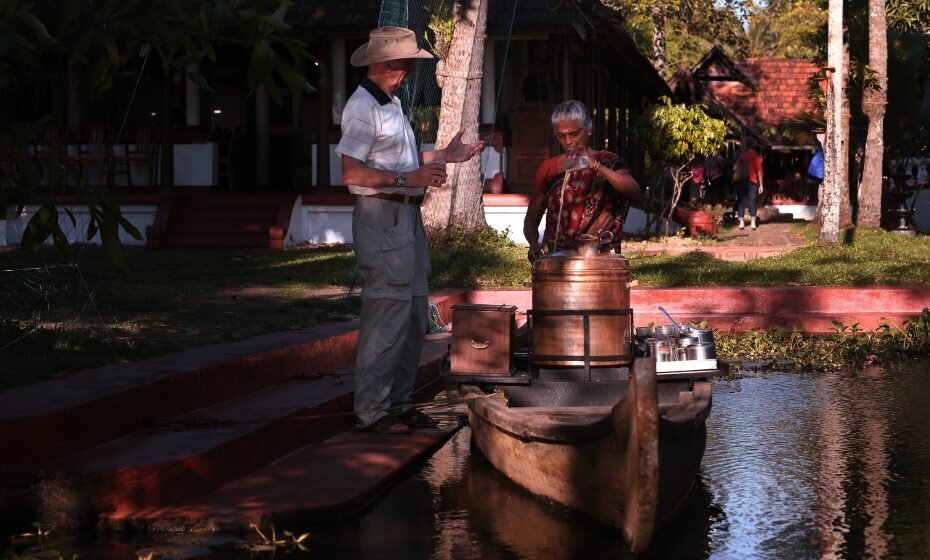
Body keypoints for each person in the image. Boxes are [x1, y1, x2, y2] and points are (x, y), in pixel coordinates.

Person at [336, 26, 483, 435]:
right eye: (404, 64)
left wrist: (445, 156)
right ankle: (371, 412)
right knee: (387, 313)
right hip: (382, 216)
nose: (407, 72)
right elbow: (351, 171)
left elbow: (398, 158)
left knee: (414, 313)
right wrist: (409, 179)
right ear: (386, 64)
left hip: (406, 217)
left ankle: (397, 403)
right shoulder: (362, 107)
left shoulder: (391, 103)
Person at [523, 100, 642, 261]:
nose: (568, 141)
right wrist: (533, 244)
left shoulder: (606, 161)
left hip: (598, 256)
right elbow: (531, 219)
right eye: (561, 135)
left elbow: (634, 190)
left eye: (574, 134)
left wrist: (595, 166)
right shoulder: (548, 167)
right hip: (557, 260)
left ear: (589, 130)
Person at [732, 136, 764, 230]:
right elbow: (759, 171)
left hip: (741, 181)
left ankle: (741, 222)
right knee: (752, 201)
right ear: (754, 146)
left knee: (741, 201)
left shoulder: (742, 155)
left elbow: (734, 168)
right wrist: (761, 184)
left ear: (746, 145)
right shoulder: (756, 157)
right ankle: (753, 222)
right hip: (753, 182)